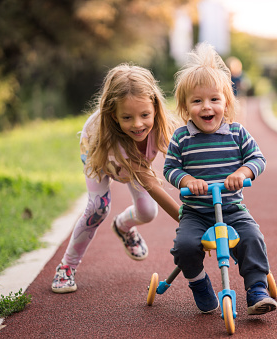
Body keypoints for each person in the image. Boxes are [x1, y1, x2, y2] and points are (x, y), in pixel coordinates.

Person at [163, 43, 277, 315]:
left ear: (226, 102)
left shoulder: (237, 134)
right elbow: (169, 168)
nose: (207, 107)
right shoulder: (182, 138)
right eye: (197, 101)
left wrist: (242, 173)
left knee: (252, 237)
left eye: (214, 99)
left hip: (232, 209)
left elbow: (257, 159)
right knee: (185, 247)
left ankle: (256, 289)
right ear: (185, 106)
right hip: (196, 212)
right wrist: (187, 180)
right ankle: (199, 283)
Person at [51, 64, 180, 293]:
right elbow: (150, 184)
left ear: (155, 108)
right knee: (97, 208)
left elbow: (183, 161)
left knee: (148, 212)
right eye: (127, 117)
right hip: (101, 155)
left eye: (144, 115)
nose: (138, 124)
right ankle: (67, 267)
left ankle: (123, 227)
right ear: (114, 115)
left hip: (135, 165)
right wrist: (187, 220)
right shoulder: (108, 135)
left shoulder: (162, 128)